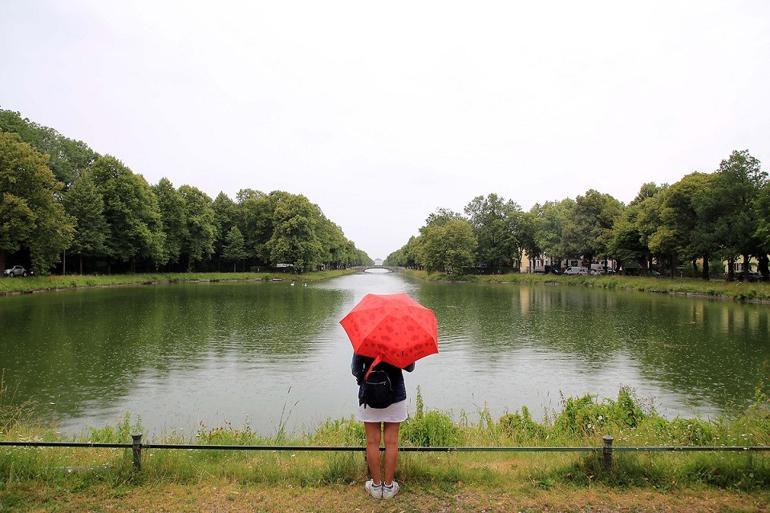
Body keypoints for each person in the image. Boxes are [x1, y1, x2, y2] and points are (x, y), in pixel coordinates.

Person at [351, 354, 415, 499]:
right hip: (395, 395)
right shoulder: (399, 340)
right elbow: (410, 367)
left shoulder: (365, 339)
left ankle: (375, 486)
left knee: (372, 442)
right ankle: (388, 487)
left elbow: (355, 370)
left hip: (369, 395)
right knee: (391, 442)